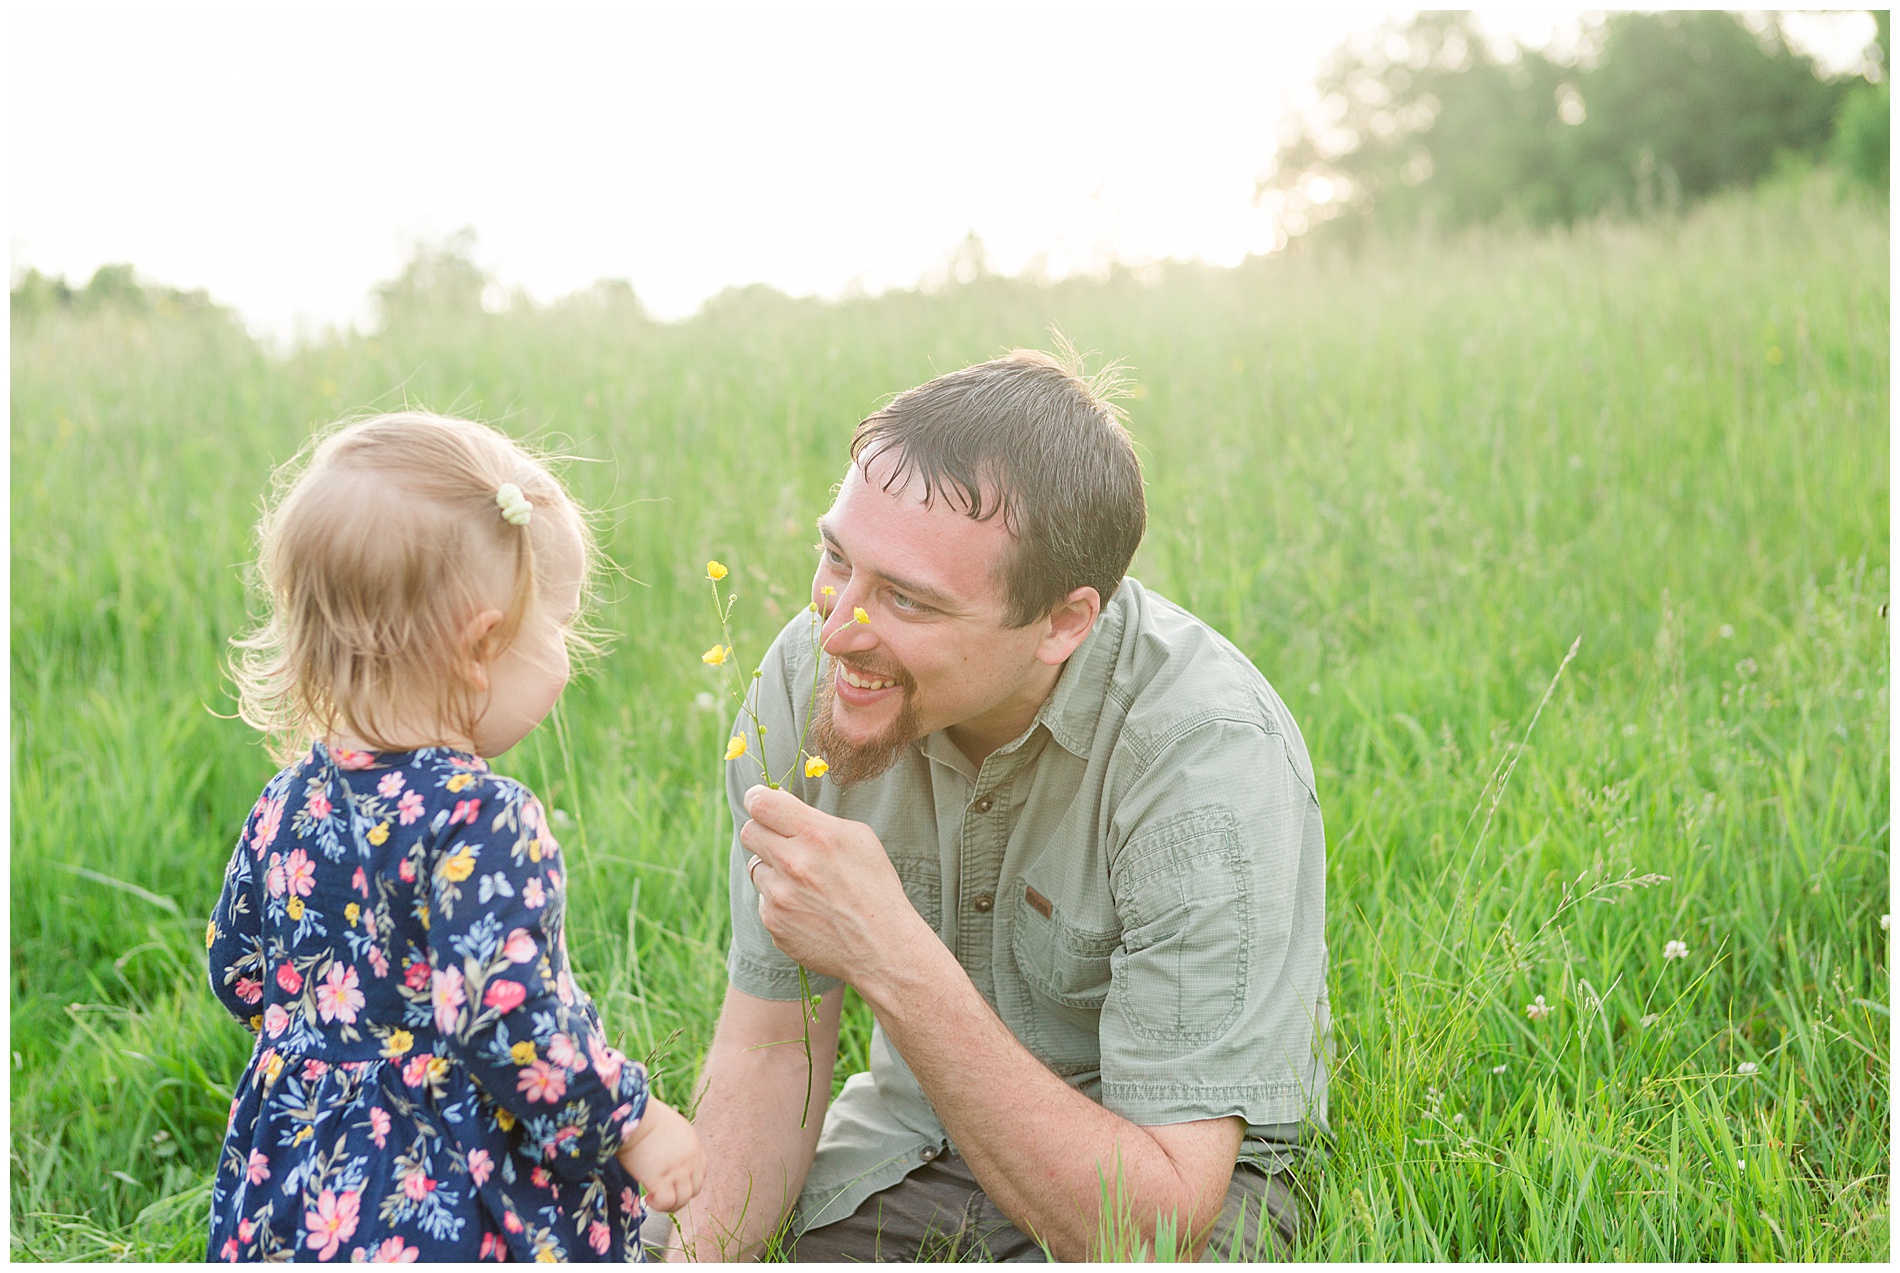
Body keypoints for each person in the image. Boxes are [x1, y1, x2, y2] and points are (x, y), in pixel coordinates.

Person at [666, 350, 1330, 1262]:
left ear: (1063, 622)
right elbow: (775, 1051)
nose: (836, 627)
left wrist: (891, 953)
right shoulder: (805, 681)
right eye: (836, 559)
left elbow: (1151, 1225)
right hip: (911, 1137)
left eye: (905, 598)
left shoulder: (1203, 762)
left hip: (1172, 1178)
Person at [206, 412, 704, 1262]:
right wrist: (636, 1120)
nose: (567, 660)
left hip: (294, 1178)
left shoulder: (284, 799)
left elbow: (238, 971)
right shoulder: (482, 816)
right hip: (444, 1192)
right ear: (481, 645)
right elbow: (513, 1028)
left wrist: (335, 1046)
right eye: (559, 631)